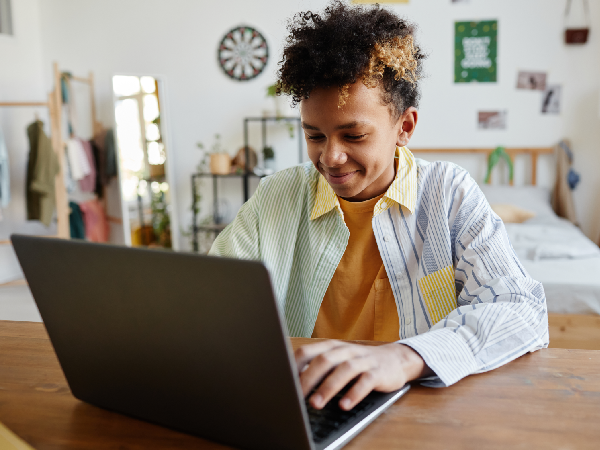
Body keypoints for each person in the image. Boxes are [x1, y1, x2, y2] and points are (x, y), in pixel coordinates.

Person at [210, 0, 548, 412]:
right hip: (308, 406)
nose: (330, 157)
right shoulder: (277, 197)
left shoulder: (448, 194)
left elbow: (520, 310)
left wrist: (407, 356)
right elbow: (211, 298)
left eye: (353, 136)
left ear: (404, 127)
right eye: (315, 136)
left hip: (421, 407)